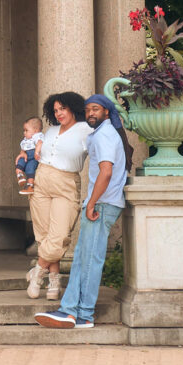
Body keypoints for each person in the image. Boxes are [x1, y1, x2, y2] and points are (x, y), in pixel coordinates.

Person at [35, 94, 129, 329]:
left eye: (96, 109)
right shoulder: (100, 133)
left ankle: (80, 314)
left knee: (88, 261)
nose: (90, 114)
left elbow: (106, 171)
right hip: (101, 202)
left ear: (107, 112)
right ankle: (72, 312)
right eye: (88, 110)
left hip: (101, 204)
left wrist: (91, 203)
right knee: (83, 259)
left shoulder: (105, 134)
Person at [26, 92, 92, 302]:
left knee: (59, 235)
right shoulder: (50, 131)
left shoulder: (86, 130)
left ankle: (37, 271)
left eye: (63, 108)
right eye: (55, 110)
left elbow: (101, 153)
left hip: (66, 183)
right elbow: (31, 150)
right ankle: (54, 280)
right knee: (44, 235)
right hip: (41, 180)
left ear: (73, 107)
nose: (59, 113)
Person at [14, 117, 45, 195]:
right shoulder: (25, 139)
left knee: (30, 168)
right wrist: (22, 152)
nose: (24, 132)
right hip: (26, 156)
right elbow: (23, 148)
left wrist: (36, 152)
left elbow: (40, 143)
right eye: (24, 130)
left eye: (26, 130)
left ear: (35, 130)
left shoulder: (38, 136)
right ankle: (20, 176)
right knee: (19, 163)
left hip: (33, 157)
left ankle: (30, 186)